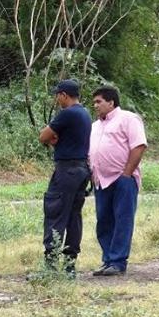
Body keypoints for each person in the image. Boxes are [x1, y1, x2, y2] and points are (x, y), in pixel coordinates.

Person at [89, 86, 147, 276]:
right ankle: (108, 260)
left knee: (122, 219)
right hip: (101, 180)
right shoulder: (95, 126)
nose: (95, 105)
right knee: (104, 220)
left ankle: (118, 261)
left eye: (99, 101)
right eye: (94, 102)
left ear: (111, 102)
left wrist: (127, 174)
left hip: (122, 178)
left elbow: (138, 146)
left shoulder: (128, 119)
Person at [38, 79, 92, 278]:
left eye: (57, 95)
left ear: (64, 95)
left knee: (55, 211)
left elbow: (44, 136)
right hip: (81, 169)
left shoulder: (67, 114)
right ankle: (70, 264)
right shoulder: (85, 113)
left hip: (66, 170)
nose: (56, 99)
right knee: (73, 217)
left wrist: (51, 136)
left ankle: (51, 264)